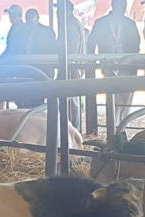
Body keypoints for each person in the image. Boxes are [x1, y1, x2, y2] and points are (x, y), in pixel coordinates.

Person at [87, 0, 141, 131]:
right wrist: (94, 61)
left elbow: (136, 46)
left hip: (127, 66)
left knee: (126, 99)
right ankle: (115, 128)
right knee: (112, 97)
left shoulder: (130, 24)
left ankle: (121, 127)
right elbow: (90, 43)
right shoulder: (101, 23)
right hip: (109, 65)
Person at [62, 1, 87, 130]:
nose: (57, 12)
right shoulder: (73, 23)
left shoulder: (70, 25)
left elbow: (70, 50)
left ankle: (73, 130)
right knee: (72, 99)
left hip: (71, 66)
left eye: (59, 10)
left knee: (71, 100)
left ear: (67, 11)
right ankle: (74, 129)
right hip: (74, 65)